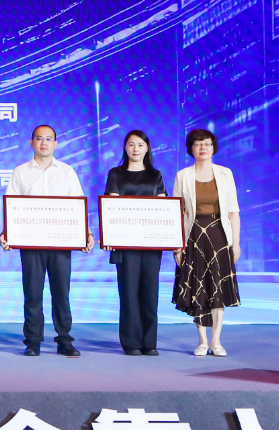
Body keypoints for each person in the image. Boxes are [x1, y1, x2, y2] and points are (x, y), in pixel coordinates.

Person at [1, 124, 94, 357]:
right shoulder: (20, 172)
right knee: (32, 293)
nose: (44, 143)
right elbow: (12, 205)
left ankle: (64, 340)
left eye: (49, 139)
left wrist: (87, 234)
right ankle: (33, 341)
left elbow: (78, 205)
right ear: (31, 142)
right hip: (31, 243)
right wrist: (7, 233)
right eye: (39, 138)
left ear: (56, 143)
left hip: (61, 242)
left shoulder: (67, 172)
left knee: (61, 292)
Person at [172, 128, 241, 356]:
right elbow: (177, 213)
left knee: (218, 288)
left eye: (207, 144)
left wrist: (236, 244)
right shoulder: (183, 175)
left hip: (219, 236)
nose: (203, 148)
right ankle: (202, 341)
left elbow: (233, 211)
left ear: (213, 148)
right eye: (198, 144)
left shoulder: (225, 173)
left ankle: (217, 341)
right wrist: (178, 246)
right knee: (197, 288)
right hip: (193, 236)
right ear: (191, 149)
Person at [103, 130, 168, 356]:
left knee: (150, 292)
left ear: (147, 148)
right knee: (129, 293)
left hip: (151, 242)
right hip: (125, 243)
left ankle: (149, 343)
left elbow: (164, 208)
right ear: (125, 148)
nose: (136, 149)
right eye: (131, 144)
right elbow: (111, 207)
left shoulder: (155, 175)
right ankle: (131, 343)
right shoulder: (116, 173)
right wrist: (110, 236)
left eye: (140, 144)